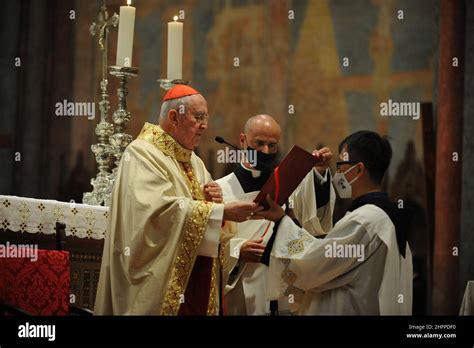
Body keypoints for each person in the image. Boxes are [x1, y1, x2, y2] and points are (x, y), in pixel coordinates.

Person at [94, 85, 262, 315]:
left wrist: (216, 202)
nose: (204, 125)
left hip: (195, 284)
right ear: (174, 117)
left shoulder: (195, 162)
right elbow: (156, 215)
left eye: (206, 118)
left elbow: (205, 221)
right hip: (152, 285)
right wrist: (222, 213)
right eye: (198, 117)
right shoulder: (142, 154)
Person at [257, 130, 413, 315]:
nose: (337, 172)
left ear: (359, 170)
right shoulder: (382, 216)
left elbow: (314, 264)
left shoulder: (365, 220)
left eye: (340, 165)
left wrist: (282, 220)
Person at [217, 114, 335, 315]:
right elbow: (206, 242)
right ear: (243, 140)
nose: (266, 151)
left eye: (272, 146)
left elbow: (312, 217)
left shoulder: (286, 183)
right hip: (238, 289)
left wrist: (320, 172)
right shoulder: (219, 189)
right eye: (259, 143)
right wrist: (236, 251)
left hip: (281, 285)